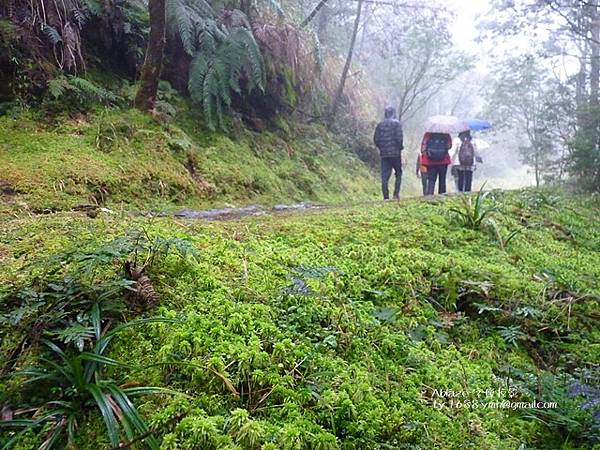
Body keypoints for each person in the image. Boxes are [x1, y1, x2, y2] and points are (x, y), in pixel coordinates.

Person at [374, 106, 403, 200]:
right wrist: (400, 147)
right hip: (395, 154)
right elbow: (399, 138)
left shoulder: (380, 125)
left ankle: (385, 197)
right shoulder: (397, 124)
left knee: (384, 176)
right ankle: (395, 194)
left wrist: (382, 148)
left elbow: (376, 139)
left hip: (384, 154)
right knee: (398, 173)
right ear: (393, 113)